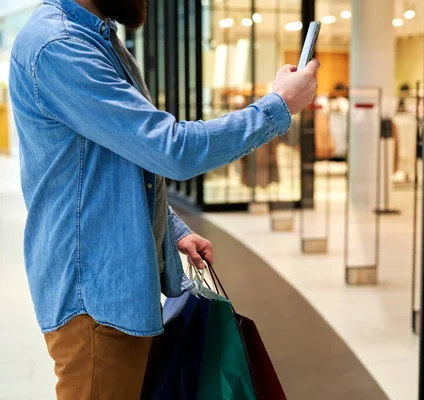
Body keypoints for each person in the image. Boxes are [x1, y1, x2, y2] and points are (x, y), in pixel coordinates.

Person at [8, 0, 319, 398]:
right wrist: (277, 108)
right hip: (95, 301)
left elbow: (122, 163)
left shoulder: (95, 37)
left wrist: (172, 229)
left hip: (114, 289)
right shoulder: (60, 44)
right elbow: (172, 150)